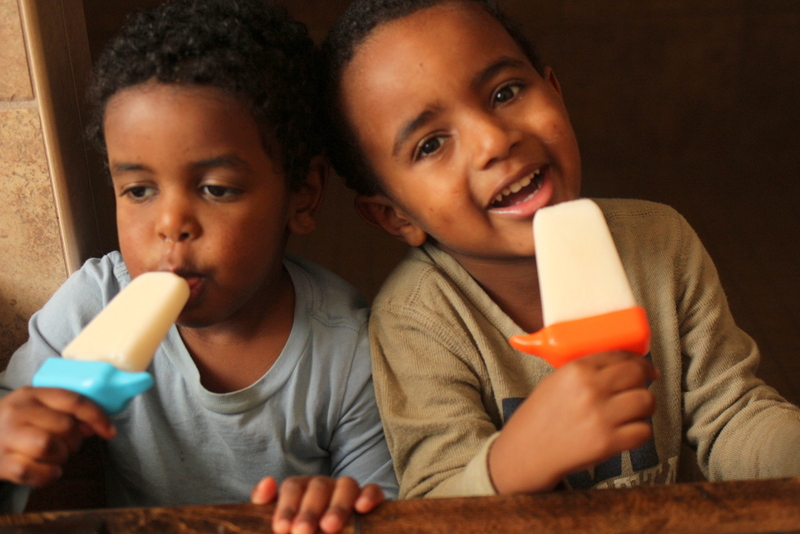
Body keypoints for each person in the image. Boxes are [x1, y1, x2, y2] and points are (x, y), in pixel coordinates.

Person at [320, 0, 800, 499]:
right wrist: (514, 463)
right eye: (431, 144)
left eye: (505, 93)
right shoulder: (417, 320)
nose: (493, 141)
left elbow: (730, 415)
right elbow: (437, 505)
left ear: (556, 93)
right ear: (395, 215)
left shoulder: (661, 241)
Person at [0, 0, 397, 532]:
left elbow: (386, 500)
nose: (170, 225)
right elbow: (14, 417)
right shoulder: (97, 303)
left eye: (215, 189)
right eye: (138, 190)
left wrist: (335, 502)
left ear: (302, 196)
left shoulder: (351, 349)